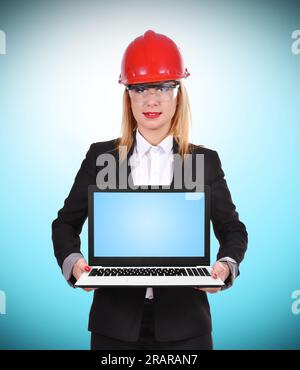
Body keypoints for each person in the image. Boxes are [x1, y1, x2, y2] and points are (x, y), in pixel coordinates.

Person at [52, 29, 248, 350]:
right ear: (127, 95)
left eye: (162, 87)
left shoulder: (204, 161)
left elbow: (231, 229)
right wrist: (74, 263)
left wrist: (225, 265)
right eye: (140, 88)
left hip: (186, 326)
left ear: (178, 94)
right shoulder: (102, 158)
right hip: (114, 324)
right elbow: (65, 224)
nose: (151, 99)